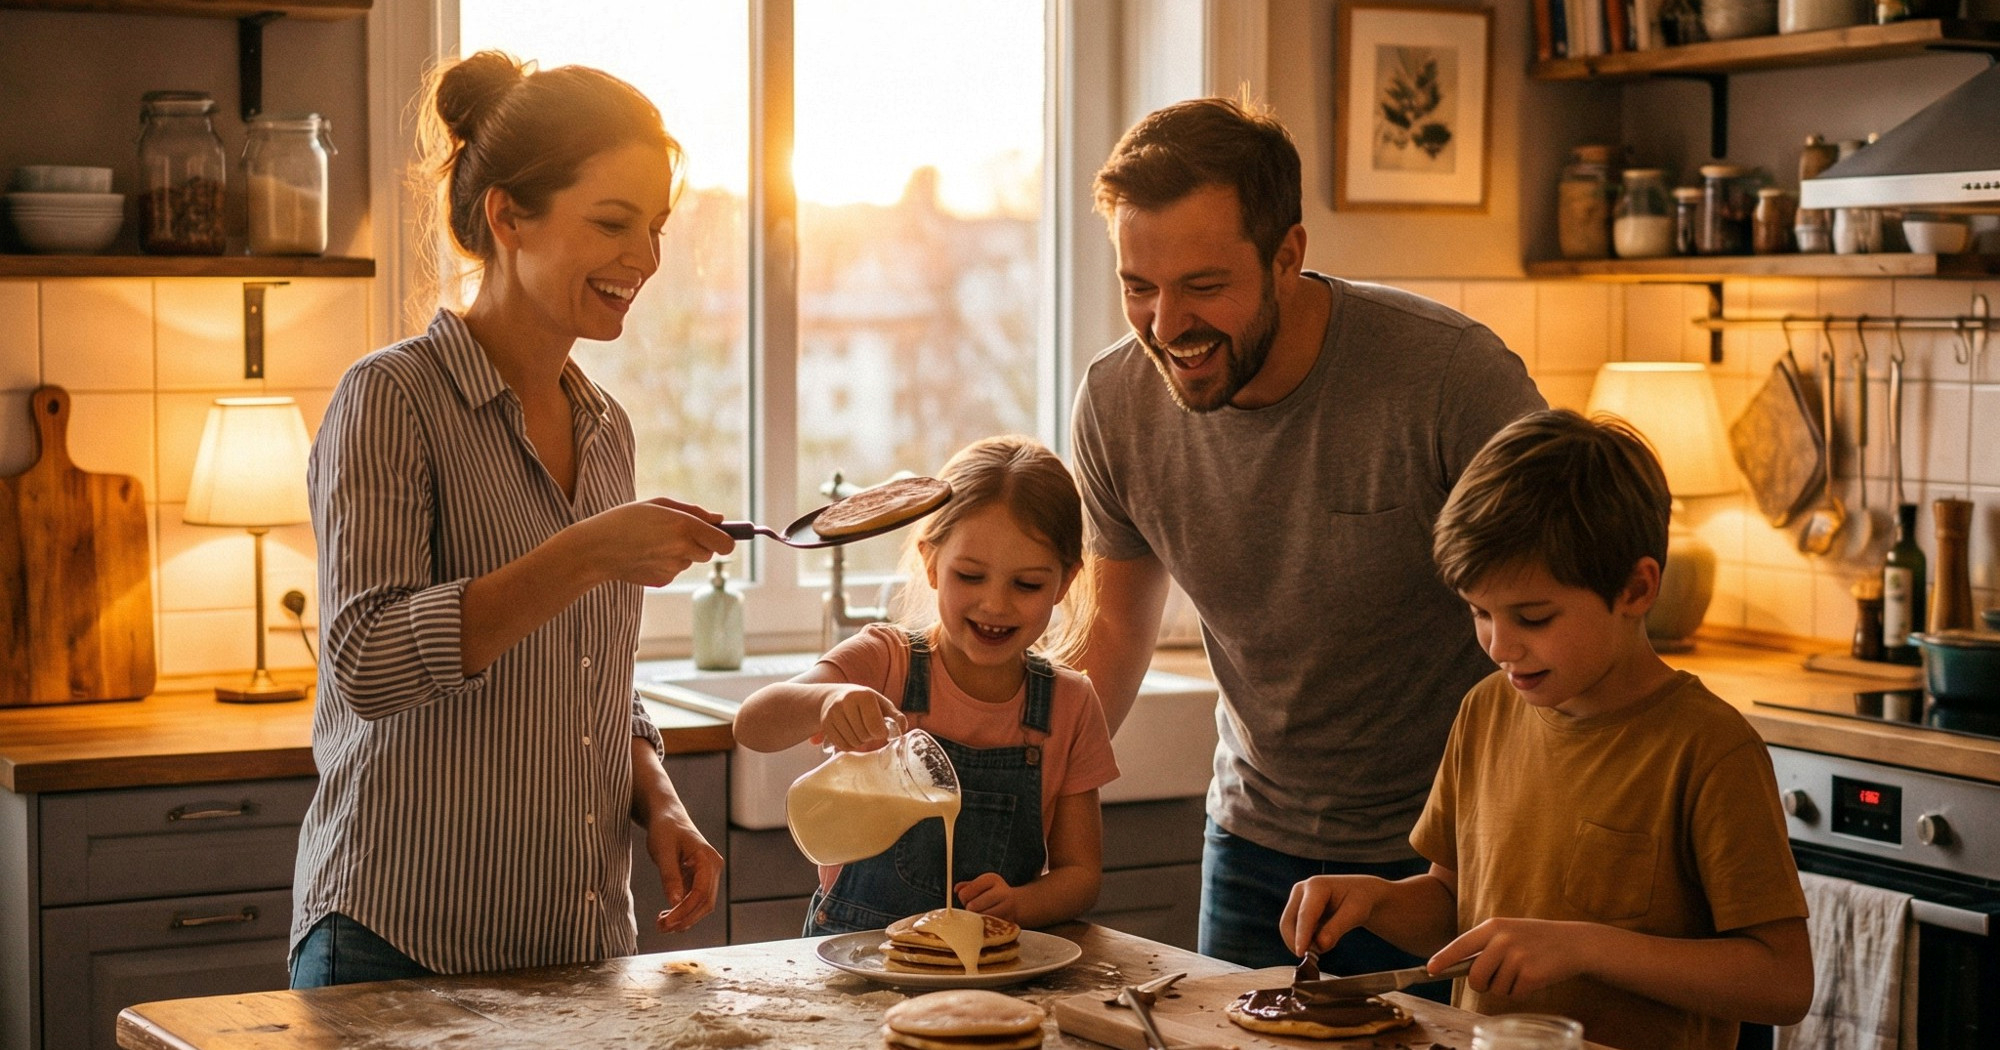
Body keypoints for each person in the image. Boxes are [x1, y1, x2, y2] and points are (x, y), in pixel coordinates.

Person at [1068, 96, 1546, 975]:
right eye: (1140, 287)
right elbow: (1115, 630)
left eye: (1205, 286)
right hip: (1253, 846)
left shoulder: (1450, 379)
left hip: (1457, 854)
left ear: (1288, 256)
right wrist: (1019, 788)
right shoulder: (1114, 403)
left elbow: (1563, 610)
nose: (1167, 327)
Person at [290, 51, 731, 985]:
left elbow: (591, 678)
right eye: (613, 223)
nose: (644, 259)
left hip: (575, 945)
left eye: (654, 229)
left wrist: (659, 803)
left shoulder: (607, 429)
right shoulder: (390, 400)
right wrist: (586, 552)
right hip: (397, 939)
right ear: (507, 216)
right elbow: (364, 660)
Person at [1282, 410, 1813, 1050]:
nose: (1499, 645)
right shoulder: (1485, 711)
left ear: (1637, 589)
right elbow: (1457, 904)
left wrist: (1585, 947)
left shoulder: (1707, 748)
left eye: (1533, 617)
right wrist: (1378, 902)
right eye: (1479, 612)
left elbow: (1783, 982)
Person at [735, 436, 1119, 933]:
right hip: (857, 962)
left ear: (1065, 583)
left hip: (985, 975)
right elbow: (753, 723)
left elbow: (1080, 875)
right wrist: (827, 698)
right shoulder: (884, 661)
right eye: (970, 576)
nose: (995, 605)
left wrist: (1022, 904)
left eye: (1027, 585)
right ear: (932, 563)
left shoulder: (1070, 704)